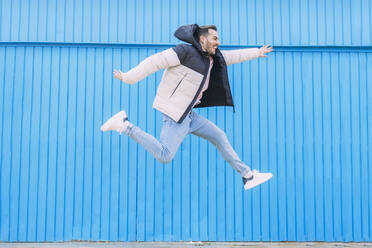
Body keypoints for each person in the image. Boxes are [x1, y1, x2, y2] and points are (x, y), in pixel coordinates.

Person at [101, 24, 273, 190]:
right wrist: (128, 77)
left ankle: (248, 176)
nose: (218, 42)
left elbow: (234, 56)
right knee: (165, 155)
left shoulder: (212, 59)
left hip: (189, 115)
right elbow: (154, 62)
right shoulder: (183, 52)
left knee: (219, 136)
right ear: (202, 39)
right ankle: (124, 125)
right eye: (215, 38)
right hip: (175, 115)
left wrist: (257, 52)